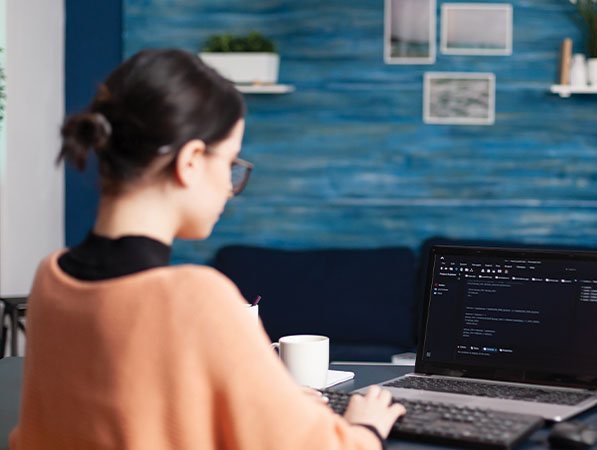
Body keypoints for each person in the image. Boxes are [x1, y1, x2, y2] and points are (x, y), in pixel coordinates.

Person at [10, 48, 405, 449]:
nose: (230, 189)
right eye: (231, 163)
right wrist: (363, 429)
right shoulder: (195, 297)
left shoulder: (50, 277)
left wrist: (275, 403)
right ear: (192, 161)